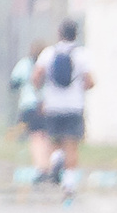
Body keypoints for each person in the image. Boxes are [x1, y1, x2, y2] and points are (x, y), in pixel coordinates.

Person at [30, 20, 91, 197]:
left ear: (59, 33)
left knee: (55, 142)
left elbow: (36, 77)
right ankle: (69, 184)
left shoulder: (48, 53)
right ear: (76, 34)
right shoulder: (82, 54)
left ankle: (56, 159)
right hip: (74, 106)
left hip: (53, 106)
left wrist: (44, 89)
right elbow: (90, 82)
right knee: (71, 145)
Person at [12, 42, 47, 175]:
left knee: (36, 137)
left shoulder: (24, 64)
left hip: (29, 105)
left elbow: (13, 83)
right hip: (46, 105)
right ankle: (48, 165)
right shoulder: (48, 62)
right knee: (46, 136)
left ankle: (41, 168)